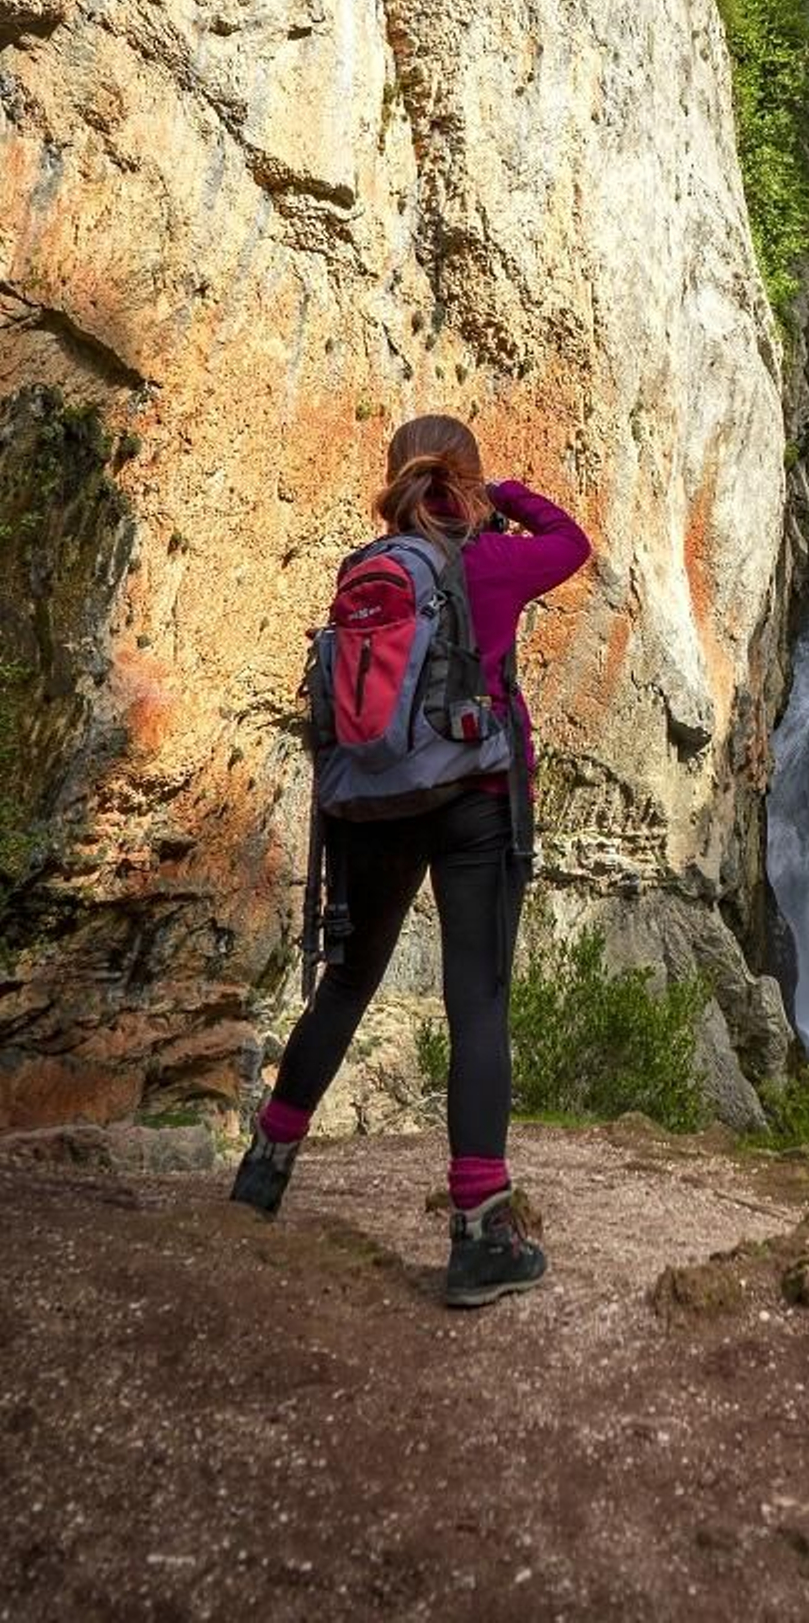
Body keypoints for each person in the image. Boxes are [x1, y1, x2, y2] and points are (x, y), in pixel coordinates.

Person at [229, 415, 592, 1308]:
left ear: (398, 479)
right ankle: (479, 1237)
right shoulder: (491, 564)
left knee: (346, 987)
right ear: (462, 483)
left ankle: (263, 1173)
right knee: (477, 1004)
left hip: (373, 802)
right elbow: (571, 542)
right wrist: (499, 495)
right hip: (477, 803)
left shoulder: (370, 569)